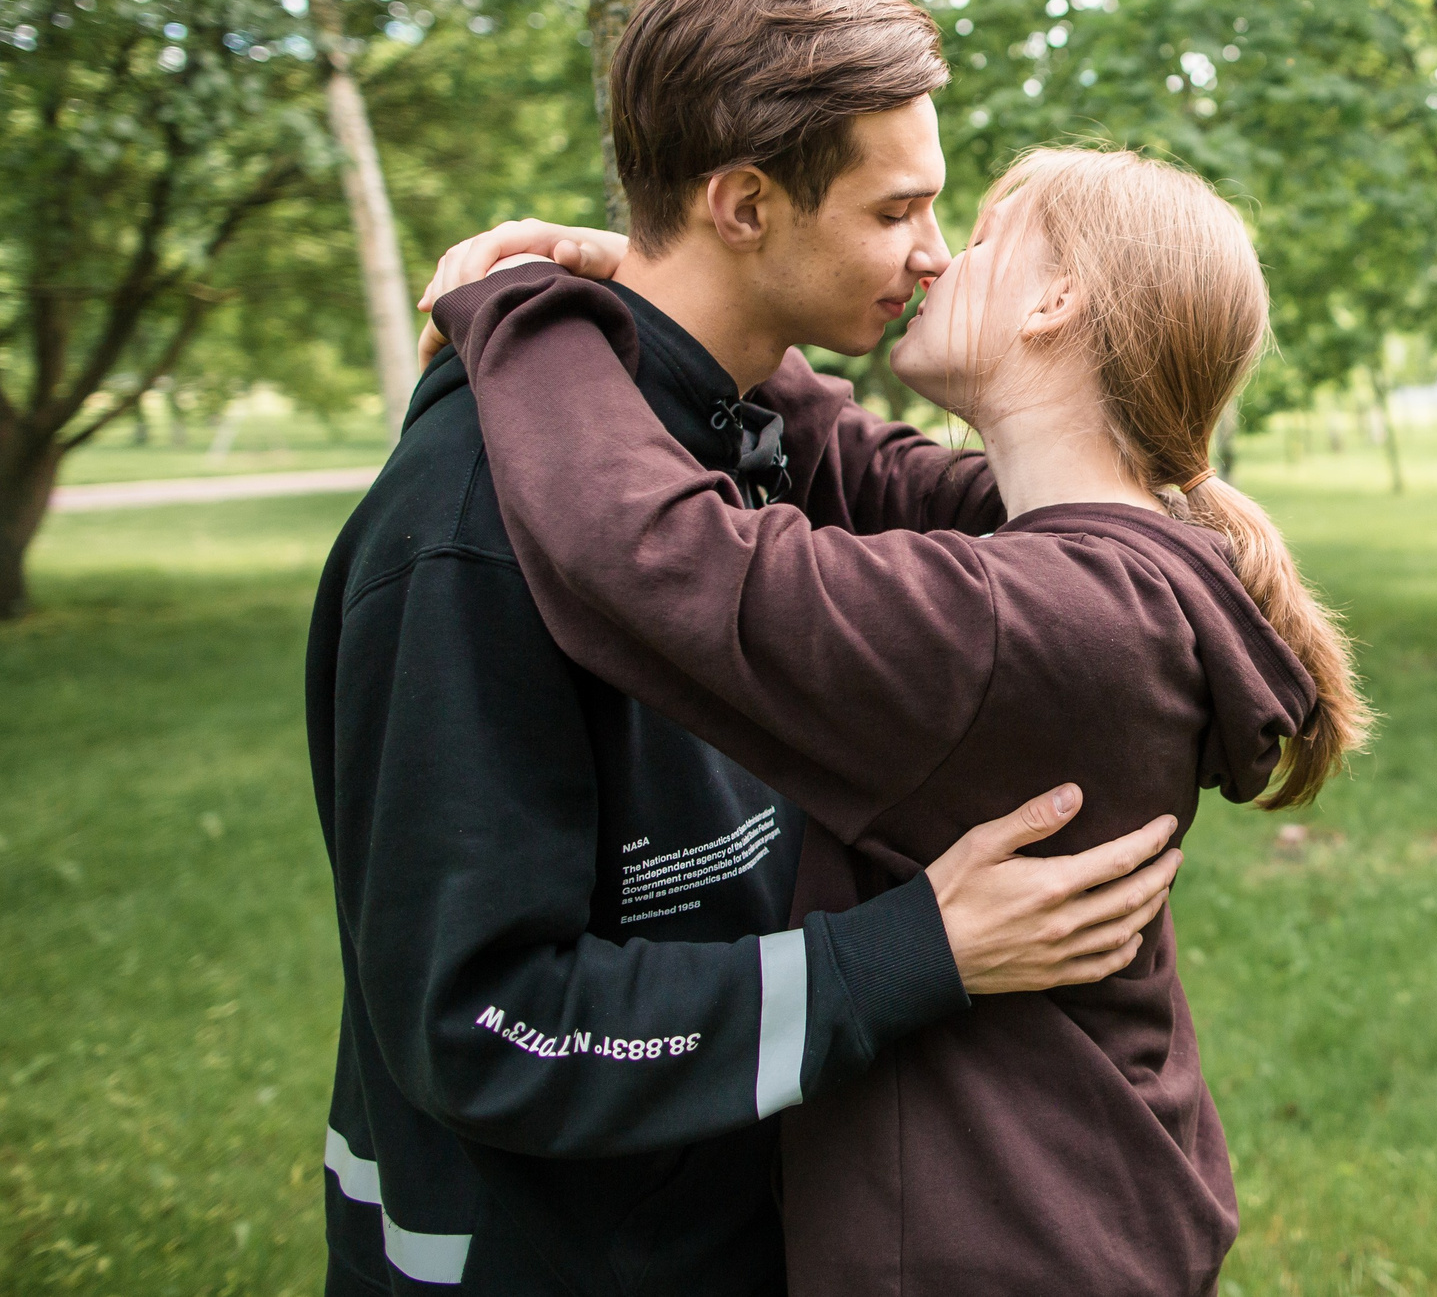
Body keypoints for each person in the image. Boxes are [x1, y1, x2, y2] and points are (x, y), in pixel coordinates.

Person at [307, 0, 1182, 1295]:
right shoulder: (471, 528)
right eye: (899, 208)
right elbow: (480, 1020)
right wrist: (910, 956)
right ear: (743, 205)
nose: (935, 251)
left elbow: (1031, 512)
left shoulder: (754, 442)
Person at [424, 144, 1372, 1295]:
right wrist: (662, 281)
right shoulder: (1109, 554)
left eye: (975, 241)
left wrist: (523, 312)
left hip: (1005, 1244)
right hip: (1086, 1200)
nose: (932, 260)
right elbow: (854, 460)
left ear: (1057, 299)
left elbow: (654, 553)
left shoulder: (1042, 618)